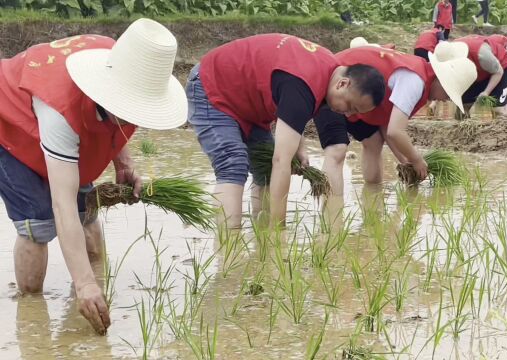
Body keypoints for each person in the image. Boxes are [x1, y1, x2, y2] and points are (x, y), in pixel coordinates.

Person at [0, 18, 187, 335]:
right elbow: (62, 205)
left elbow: (117, 119)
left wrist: (124, 160)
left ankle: (95, 298)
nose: (136, 114)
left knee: (86, 209)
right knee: (39, 221)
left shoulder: (134, 62)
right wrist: (84, 282)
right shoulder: (61, 106)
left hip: (61, 124)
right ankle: (31, 313)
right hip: (9, 123)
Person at [186, 34, 385, 228]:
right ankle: (228, 249)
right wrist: (278, 232)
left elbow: (291, 110)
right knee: (233, 163)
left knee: (264, 169)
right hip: (211, 86)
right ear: (343, 84)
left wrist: (300, 145)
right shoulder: (303, 83)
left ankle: (260, 232)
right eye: (351, 107)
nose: (349, 115)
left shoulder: (325, 70)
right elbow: (281, 160)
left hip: (248, 102)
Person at [314, 38, 477, 187]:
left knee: (374, 142)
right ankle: (331, 214)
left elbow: (386, 125)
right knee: (336, 149)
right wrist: (417, 159)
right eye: (448, 94)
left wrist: (405, 161)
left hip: (359, 98)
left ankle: (373, 199)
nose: (446, 100)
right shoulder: (414, 82)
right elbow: (395, 132)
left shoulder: (419, 74)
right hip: (334, 86)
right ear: (441, 81)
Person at [450, 35, 507, 116]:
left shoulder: (481, 53)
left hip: (499, 68)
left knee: (498, 110)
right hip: (476, 71)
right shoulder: (449, 57)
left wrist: (486, 92)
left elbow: (498, 72)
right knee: (462, 109)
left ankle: (506, 123)